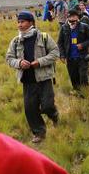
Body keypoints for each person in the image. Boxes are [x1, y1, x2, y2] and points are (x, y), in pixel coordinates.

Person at [5, 11, 59, 143]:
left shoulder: (44, 37)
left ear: (30, 22)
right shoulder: (16, 41)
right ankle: (39, 133)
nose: (20, 25)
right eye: (18, 22)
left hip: (44, 78)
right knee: (30, 109)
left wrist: (40, 62)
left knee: (47, 105)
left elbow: (55, 52)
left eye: (22, 22)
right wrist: (19, 63)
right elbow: (9, 58)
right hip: (27, 80)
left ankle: (54, 115)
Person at [57, 9, 89, 93]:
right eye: (70, 16)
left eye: (74, 16)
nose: (72, 18)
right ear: (68, 17)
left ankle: (86, 94)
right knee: (73, 77)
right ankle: (77, 93)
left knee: (83, 77)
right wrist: (62, 55)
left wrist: (83, 45)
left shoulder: (84, 26)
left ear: (77, 17)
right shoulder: (64, 28)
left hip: (82, 57)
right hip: (70, 58)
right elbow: (60, 42)